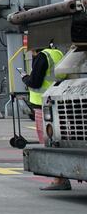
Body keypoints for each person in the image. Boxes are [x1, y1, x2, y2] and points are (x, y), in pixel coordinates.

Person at [22, 44, 69, 190]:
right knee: (60, 139)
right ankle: (61, 176)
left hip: (43, 104)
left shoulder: (42, 56)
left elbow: (35, 82)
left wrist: (25, 78)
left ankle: (59, 179)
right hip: (57, 100)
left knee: (48, 141)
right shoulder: (57, 53)